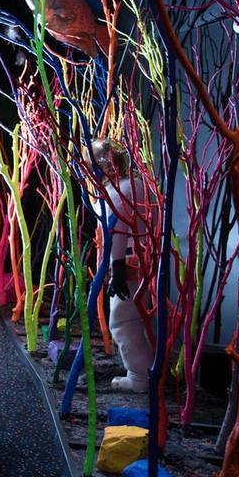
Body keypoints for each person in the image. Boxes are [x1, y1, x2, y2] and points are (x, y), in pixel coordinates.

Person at [89, 138, 153, 393]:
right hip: (144, 260)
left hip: (129, 263)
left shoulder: (120, 190)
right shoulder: (135, 185)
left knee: (122, 320)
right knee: (138, 318)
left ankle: (139, 376)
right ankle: (146, 370)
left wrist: (116, 270)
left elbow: (117, 230)